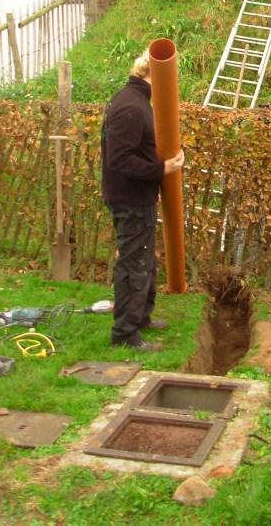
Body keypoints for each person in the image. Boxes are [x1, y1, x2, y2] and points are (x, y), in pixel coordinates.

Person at [101, 48, 185, 350]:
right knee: (134, 264)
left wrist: (165, 158)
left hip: (137, 196)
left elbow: (142, 146)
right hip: (131, 199)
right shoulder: (131, 107)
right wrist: (161, 168)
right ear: (154, 75)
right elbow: (120, 159)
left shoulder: (135, 100)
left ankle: (142, 317)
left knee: (145, 259)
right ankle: (124, 334)